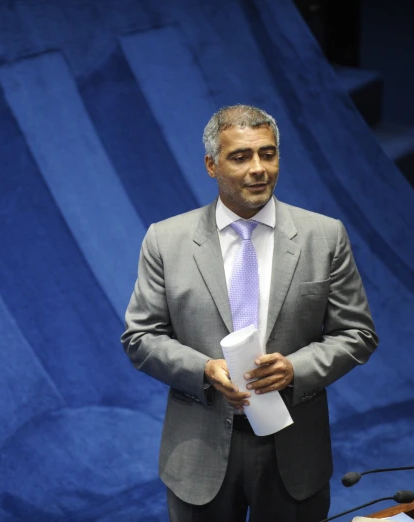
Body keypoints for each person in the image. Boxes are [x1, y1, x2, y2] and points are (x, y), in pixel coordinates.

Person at [121, 104, 378, 522]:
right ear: (211, 165)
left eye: (268, 153)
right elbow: (140, 338)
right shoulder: (165, 241)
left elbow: (358, 334)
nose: (258, 168)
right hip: (198, 452)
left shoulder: (324, 236)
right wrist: (204, 368)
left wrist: (295, 367)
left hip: (294, 452)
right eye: (240, 157)